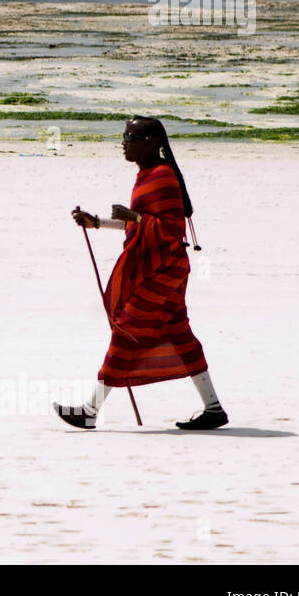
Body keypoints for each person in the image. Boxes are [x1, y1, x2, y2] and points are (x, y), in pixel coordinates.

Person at [55, 116, 228, 430]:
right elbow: (141, 222)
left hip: (162, 270)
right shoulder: (147, 174)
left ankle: (90, 411)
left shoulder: (163, 176)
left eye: (130, 136)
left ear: (150, 143)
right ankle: (213, 409)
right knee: (178, 333)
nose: (123, 142)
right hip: (164, 268)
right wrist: (96, 222)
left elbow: (171, 228)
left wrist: (133, 215)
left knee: (128, 330)